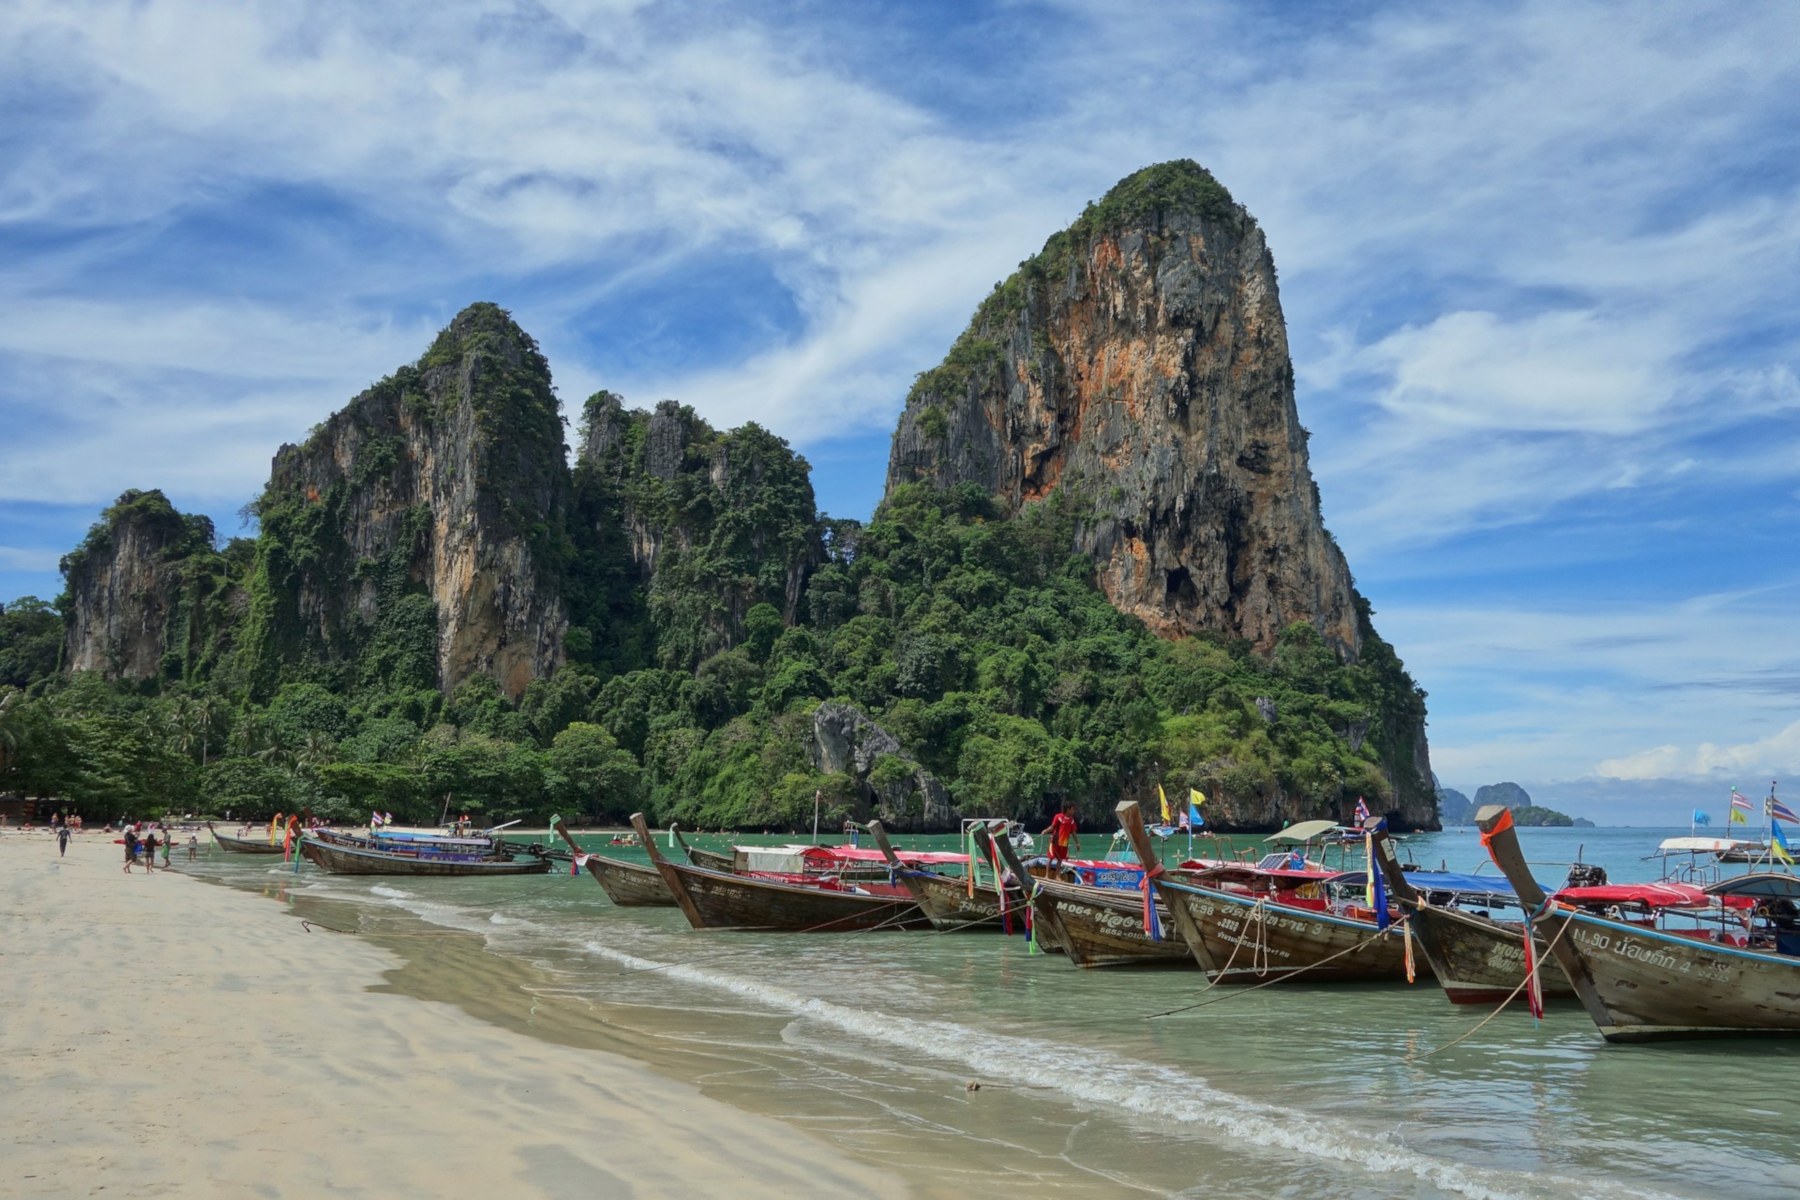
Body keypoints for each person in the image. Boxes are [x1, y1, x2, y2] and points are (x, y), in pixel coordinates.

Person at [1041, 800, 1079, 865]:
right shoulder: (1058, 817)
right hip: (1055, 841)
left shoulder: (1071, 820)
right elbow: (1052, 827)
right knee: (1051, 858)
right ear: (1068, 809)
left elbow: (1073, 832)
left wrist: (1077, 843)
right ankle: (1046, 875)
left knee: (1060, 859)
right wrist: (1045, 831)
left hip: (1064, 843)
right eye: (1073, 809)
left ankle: (1057, 875)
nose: (1074, 811)